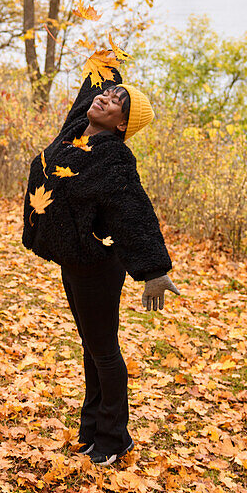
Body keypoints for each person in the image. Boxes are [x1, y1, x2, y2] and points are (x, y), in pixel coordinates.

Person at [22, 57, 179, 466]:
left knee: (104, 352)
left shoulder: (114, 159)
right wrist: (106, 62)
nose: (105, 99)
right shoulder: (78, 131)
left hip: (96, 267)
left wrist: (154, 271)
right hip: (73, 262)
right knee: (92, 348)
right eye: (106, 94)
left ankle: (113, 438)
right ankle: (91, 429)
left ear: (122, 125)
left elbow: (134, 212)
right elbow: (96, 86)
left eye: (116, 103)